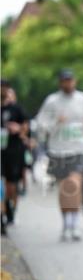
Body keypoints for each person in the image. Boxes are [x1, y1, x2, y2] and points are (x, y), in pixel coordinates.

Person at [35, 69, 83, 241]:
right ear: (60, 83)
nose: (68, 83)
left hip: (79, 149)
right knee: (64, 189)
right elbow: (40, 125)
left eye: (70, 80)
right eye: (64, 81)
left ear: (74, 81)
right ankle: (66, 223)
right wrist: (56, 122)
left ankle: (74, 224)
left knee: (74, 185)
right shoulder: (52, 101)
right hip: (58, 150)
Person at [1, 82, 28, 226]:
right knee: (2, 183)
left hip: (14, 150)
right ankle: (4, 211)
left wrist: (19, 130)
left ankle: (11, 208)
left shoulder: (16, 109)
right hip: (2, 152)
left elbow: (25, 126)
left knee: (11, 185)